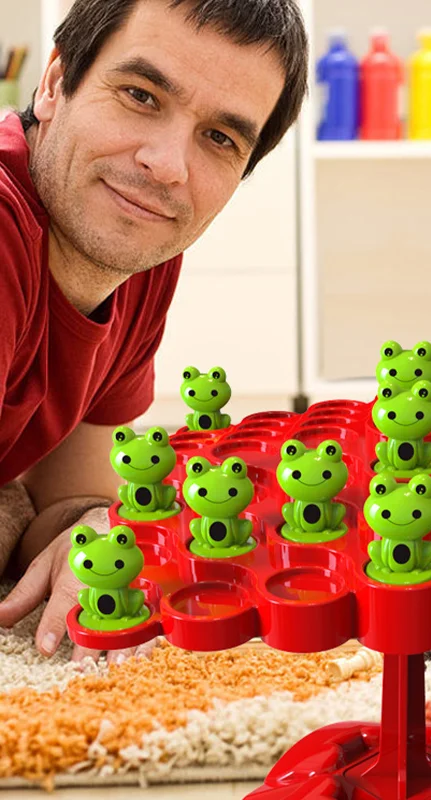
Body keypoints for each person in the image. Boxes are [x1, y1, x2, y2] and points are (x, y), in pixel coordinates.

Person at [0, 0, 308, 661]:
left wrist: (96, 526)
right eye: (141, 95)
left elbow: (70, 495)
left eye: (221, 139)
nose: (166, 165)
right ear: (55, 84)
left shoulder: (134, 255)